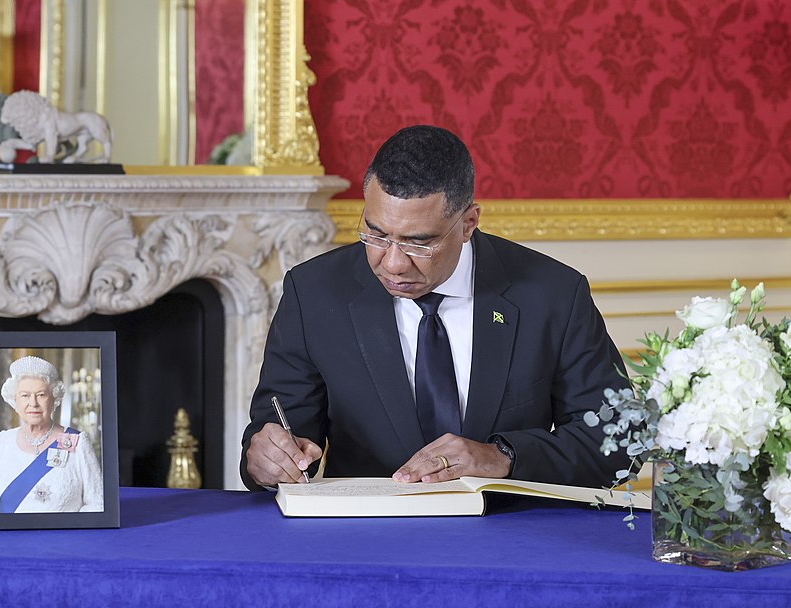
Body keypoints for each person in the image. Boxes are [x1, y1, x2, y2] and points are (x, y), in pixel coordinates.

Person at [241, 125, 632, 492]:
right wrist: (266, 460)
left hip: (510, 533)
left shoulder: (553, 294)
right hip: (367, 536)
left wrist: (503, 456)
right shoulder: (313, 293)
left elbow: (619, 442)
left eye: (418, 243)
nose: (392, 263)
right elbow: (277, 433)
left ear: (468, 223)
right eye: (375, 234)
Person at [0, 355, 104, 513]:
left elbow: (97, 504)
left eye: (41, 395)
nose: (33, 403)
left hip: (62, 537)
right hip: (8, 537)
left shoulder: (77, 441)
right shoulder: (2, 442)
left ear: (53, 399)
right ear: (15, 401)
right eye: (25, 395)